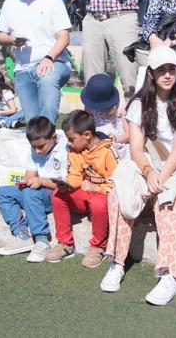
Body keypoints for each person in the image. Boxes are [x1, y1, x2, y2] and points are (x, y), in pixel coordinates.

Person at [102, 46, 176, 306]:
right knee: (118, 193)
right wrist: (149, 171)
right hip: (145, 164)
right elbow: (135, 148)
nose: (168, 75)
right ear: (151, 74)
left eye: (172, 70)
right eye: (162, 70)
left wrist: (161, 176)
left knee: (169, 200)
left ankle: (169, 275)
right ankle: (117, 262)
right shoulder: (138, 104)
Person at [0, 0, 72, 122]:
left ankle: (49, 130)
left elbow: (64, 38)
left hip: (54, 62)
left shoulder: (54, 2)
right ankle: (40, 137)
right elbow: (0, 35)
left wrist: (49, 57)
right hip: (22, 68)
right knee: (33, 124)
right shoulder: (10, 3)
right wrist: (12, 40)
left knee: (47, 78)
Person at [45, 110, 118, 267]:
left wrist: (96, 187)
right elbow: (75, 175)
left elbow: (116, 184)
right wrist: (66, 185)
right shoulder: (74, 150)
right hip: (84, 195)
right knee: (58, 195)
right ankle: (65, 243)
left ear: (87, 135)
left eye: (72, 139)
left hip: (103, 196)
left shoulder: (108, 151)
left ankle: (98, 247)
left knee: (99, 203)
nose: (69, 143)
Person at [0, 116, 69, 262]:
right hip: (39, 190)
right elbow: (30, 172)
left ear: (54, 138)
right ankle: (21, 235)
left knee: (30, 192)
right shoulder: (36, 146)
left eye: (41, 146)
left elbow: (65, 185)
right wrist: (26, 181)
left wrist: (40, 181)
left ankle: (41, 240)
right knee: (3, 192)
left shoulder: (65, 148)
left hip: (57, 193)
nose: (37, 150)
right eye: (34, 146)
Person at [80, 73, 129, 156]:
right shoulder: (90, 106)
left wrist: (115, 139)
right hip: (95, 140)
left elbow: (129, 134)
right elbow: (85, 124)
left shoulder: (120, 107)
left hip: (115, 142)